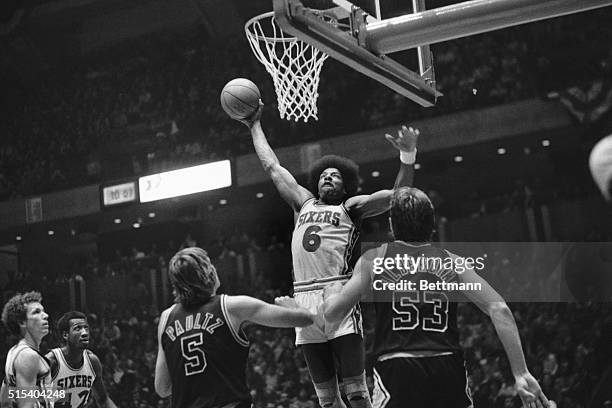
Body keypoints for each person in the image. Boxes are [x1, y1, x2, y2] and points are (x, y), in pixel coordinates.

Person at [237, 102, 419, 408]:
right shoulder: (302, 203)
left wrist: (408, 156)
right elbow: (272, 166)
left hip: (339, 293)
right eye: (324, 175)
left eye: (335, 176)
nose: (328, 178)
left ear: (345, 185)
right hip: (303, 300)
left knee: (357, 394)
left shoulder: (351, 207)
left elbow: (399, 197)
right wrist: (254, 125)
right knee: (327, 400)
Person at [323, 187, 550, 408]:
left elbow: (333, 315)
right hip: (447, 367)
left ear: (392, 225)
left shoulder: (375, 258)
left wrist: (330, 291)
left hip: (397, 368)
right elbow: (499, 309)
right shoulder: (452, 261)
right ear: (432, 225)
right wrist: (521, 373)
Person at [154, 247, 315, 408]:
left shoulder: (166, 318)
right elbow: (305, 319)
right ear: (207, 272)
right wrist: (292, 306)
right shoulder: (231, 306)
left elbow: (162, 388)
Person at [45, 311, 117, 408]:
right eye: (77, 328)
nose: (84, 333)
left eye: (86, 328)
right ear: (66, 335)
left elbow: (103, 400)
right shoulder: (52, 361)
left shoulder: (92, 361)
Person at [0, 291, 52, 408]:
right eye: (36, 312)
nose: (45, 315)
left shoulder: (14, 351)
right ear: (22, 322)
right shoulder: (28, 356)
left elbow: (4, 401)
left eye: (43, 311)